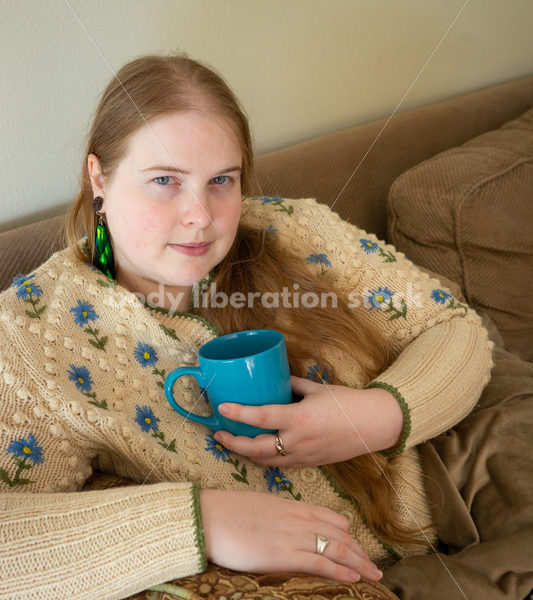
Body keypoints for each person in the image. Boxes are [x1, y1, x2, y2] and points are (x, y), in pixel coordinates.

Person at [0, 53, 494, 600]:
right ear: (99, 177)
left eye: (222, 181)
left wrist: (382, 414)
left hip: (466, 496)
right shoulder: (35, 335)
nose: (202, 216)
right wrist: (198, 522)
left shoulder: (295, 230)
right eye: (165, 180)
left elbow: (455, 326)